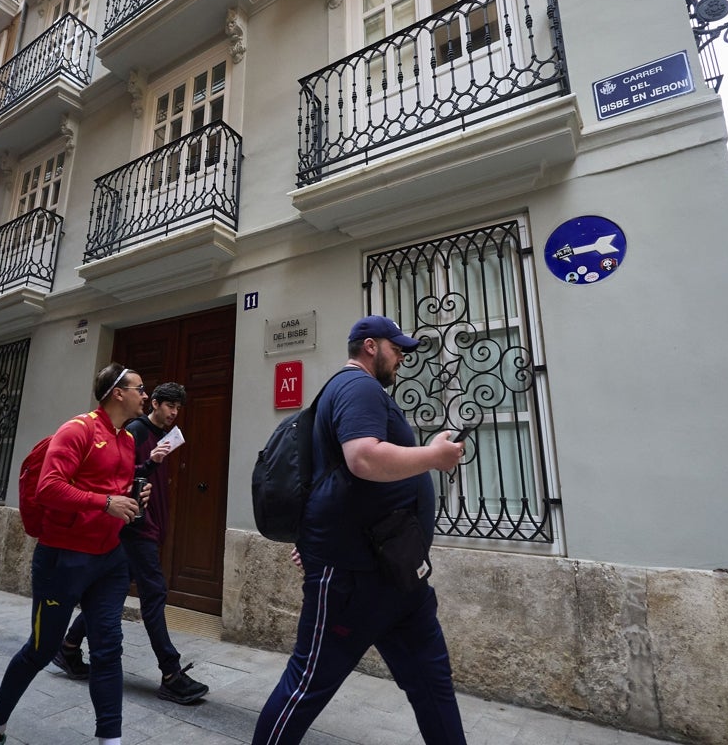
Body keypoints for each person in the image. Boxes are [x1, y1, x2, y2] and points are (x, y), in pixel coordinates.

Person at [252, 316, 468, 745]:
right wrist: (433, 456)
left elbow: (332, 481)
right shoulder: (358, 387)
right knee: (307, 685)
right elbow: (362, 459)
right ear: (370, 346)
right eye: (397, 347)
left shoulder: (355, 391)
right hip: (355, 577)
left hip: (397, 574)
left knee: (432, 682)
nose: (402, 355)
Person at [0, 363, 150, 745]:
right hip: (63, 560)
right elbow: (48, 488)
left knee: (108, 649)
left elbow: (113, 489)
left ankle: (111, 739)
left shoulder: (126, 439)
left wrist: (134, 498)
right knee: (42, 649)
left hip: (109, 559)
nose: (146, 395)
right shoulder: (79, 430)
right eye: (140, 387)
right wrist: (105, 503)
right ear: (118, 392)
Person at [54, 382, 209, 704]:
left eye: (178, 409)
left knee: (111, 592)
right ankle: (171, 673)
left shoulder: (162, 435)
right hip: (135, 528)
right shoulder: (136, 431)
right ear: (154, 403)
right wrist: (149, 463)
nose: (174, 414)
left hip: (146, 526)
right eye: (170, 407)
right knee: (154, 594)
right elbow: (120, 475)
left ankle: (67, 648)